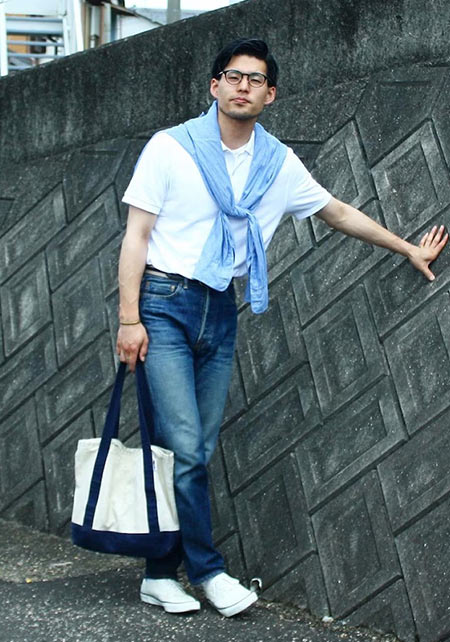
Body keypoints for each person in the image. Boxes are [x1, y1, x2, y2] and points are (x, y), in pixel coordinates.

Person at [116, 38, 447, 617]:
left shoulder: (278, 164)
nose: (242, 86)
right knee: (185, 446)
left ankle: (158, 573)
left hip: (221, 308)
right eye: (232, 76)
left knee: (192, 448)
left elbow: (337, 212)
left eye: (255, 80)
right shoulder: (171, 148)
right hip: (163, 303)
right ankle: (207, 570)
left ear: (270, 95)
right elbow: (136, 236)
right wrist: (128, 318)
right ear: (215, 86)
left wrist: (406, 249)